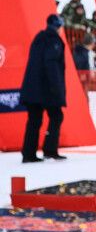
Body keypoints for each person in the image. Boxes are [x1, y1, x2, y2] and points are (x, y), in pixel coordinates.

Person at [20, 14, 68, 163]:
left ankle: (28, 153)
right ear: (58, 27)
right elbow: (51, 64)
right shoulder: (54, 41)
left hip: (32, 87)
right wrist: (57, 89)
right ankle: (50, 149)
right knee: (56, 116)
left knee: (34, 120)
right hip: (46, 89)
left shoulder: (39, 38)